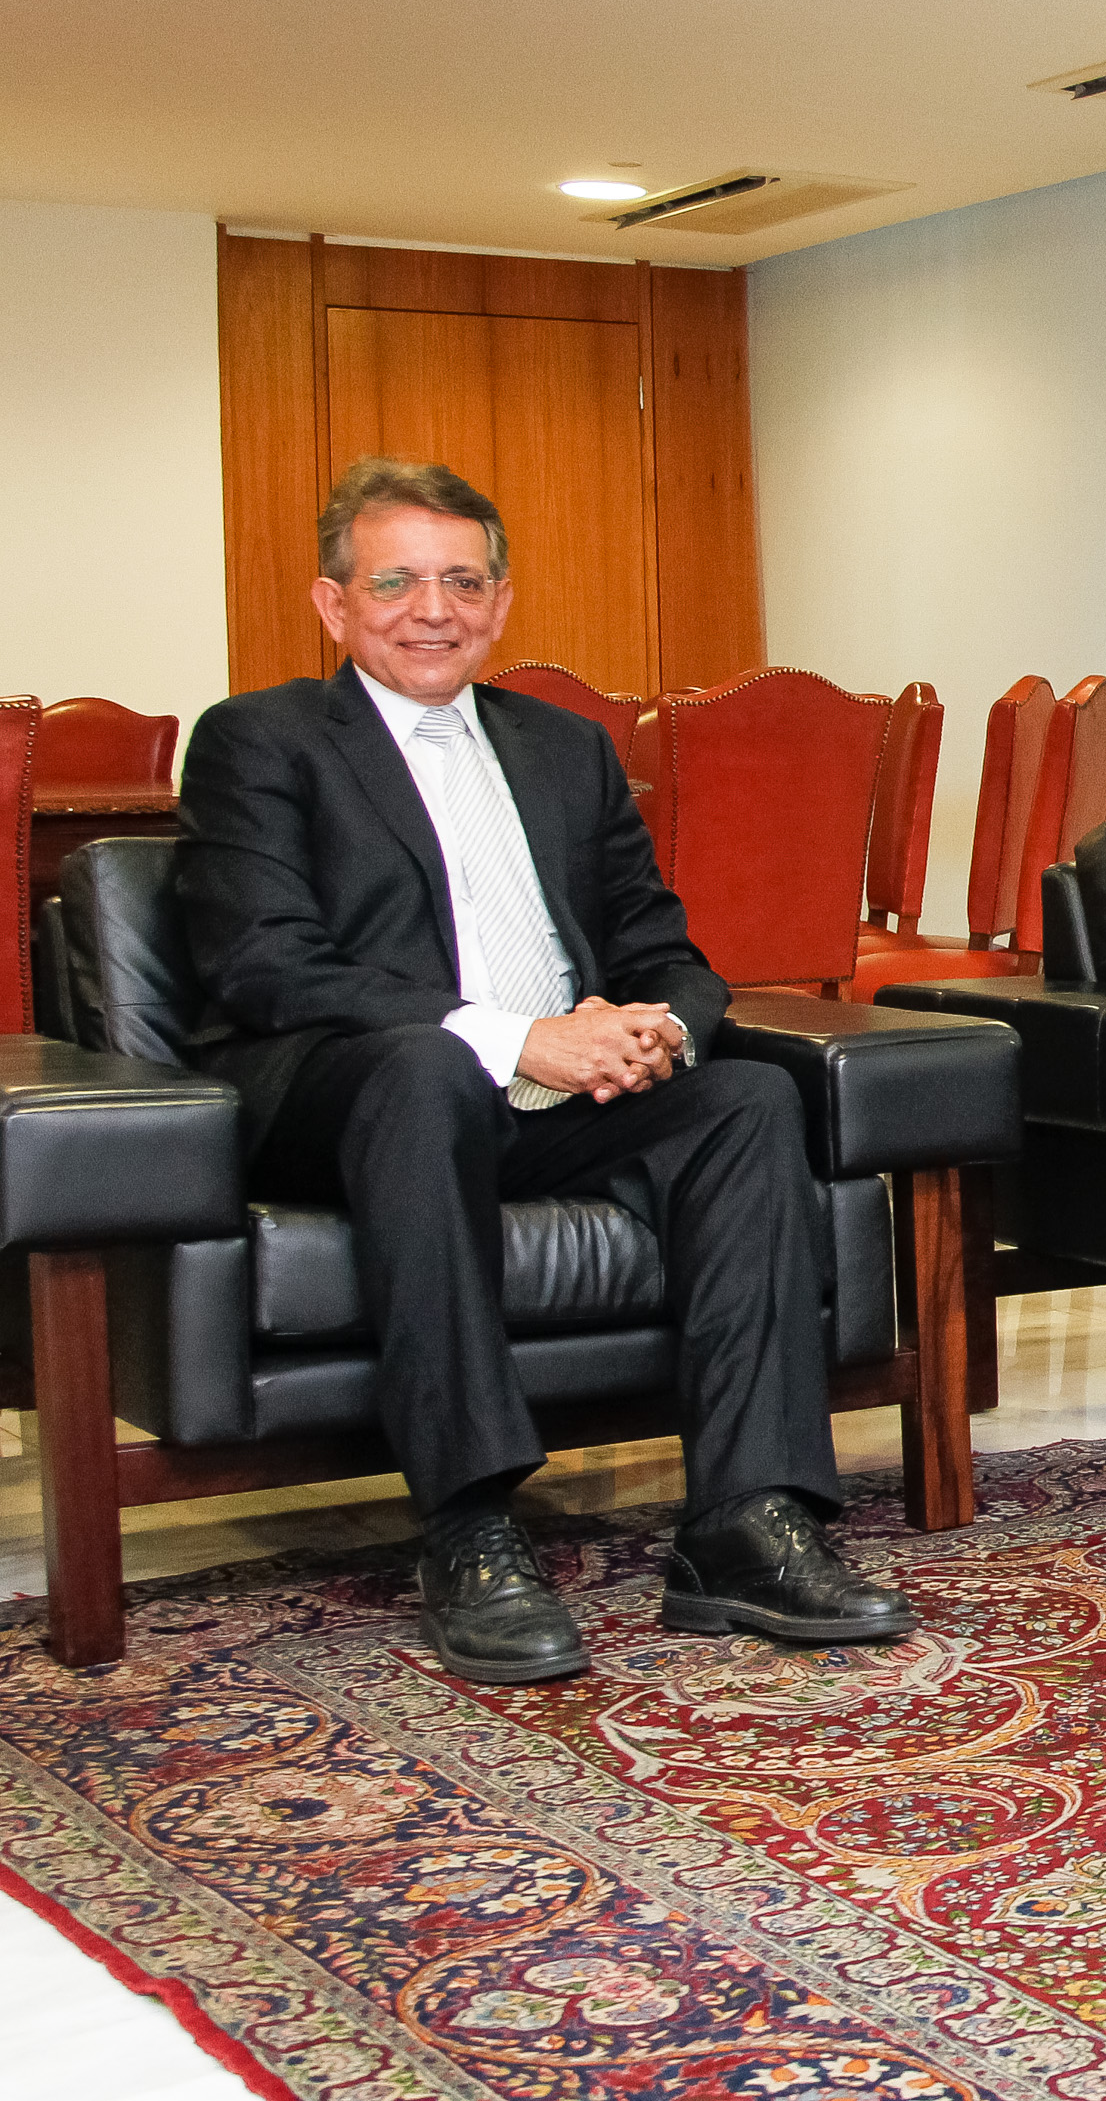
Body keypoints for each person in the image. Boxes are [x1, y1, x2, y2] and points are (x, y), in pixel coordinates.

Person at [176, 458, 914, 1686]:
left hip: (556, 1096)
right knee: (422, 1071)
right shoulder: (263, 740)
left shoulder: (566, 751)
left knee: (746, 1097)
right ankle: (470, 1524)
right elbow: (266, 966)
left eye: (463, 581)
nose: (434, 608)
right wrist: (511, 1037)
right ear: (333, 602)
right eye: (399, 580)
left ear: (502, 602)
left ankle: (744, 1518)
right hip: (353, 1092)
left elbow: (660, 946)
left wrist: (659, 1031)